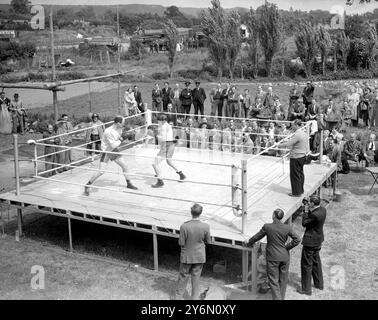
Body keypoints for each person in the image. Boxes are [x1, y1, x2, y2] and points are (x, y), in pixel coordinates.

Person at [246, 208, 300, 300]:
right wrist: (287, 247)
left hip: (273, 258)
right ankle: (281, 297)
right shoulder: (287, 227)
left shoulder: (267, 227)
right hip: (284, 257)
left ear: (274, 215)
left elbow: (257, 236)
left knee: (273, 281)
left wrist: (249, 243)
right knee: (283, 280)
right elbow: (297, 239)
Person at [84, 116, 138, 195]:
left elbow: (118, 139)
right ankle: (87, 185)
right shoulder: (108, 131)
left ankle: (129, 183)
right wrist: (122, 138)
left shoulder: (119, 129)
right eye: (123, 123)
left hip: (113, 151)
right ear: (118, 123)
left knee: (125, 166)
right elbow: (113, 145)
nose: (124, 124)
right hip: (106, 151)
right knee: (101, 171)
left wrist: (129, 136)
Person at [173, 203, 211, 300]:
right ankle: (194, 298)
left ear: (191, 212)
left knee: (183, 277)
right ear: (201, 213)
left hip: (186, 257)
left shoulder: (184, 226)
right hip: (199, 256)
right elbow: (208, 241)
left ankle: (178, 297)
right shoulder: (206, 226)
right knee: (196, 278)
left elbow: (181, 243)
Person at [297, 195, 326, 296]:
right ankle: (319, 284)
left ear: (313, 203)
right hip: (318, 240)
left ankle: (306, 289)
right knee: (316, 262)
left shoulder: (315, 215)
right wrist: (308, 208)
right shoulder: (322, 210)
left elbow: (305, 223)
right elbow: (313, 215)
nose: (308, 203)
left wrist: (305, 211)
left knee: (306, 265)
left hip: (310, 242)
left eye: (309, 202)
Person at [151, 114, 186, 188]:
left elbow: (163, 139)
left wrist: (156, 135)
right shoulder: (167, 126)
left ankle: (160, 180)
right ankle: (181, 174)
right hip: (171, 145)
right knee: (169, 162)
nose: (158, 122)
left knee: (154, 163)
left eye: (159, 120)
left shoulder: (164, 127)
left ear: (163, 120)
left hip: (166, 145)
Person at [278, 119, 309, 197]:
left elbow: (288, 144)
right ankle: (300, 190)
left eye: (293, 125)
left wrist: (279, 145)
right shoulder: (304, 133)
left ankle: (296, 192)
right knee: (300, 173)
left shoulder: (298, 134)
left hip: (296, 157)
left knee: (295, 175)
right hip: (302, 156)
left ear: (297, 125)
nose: (292, 126)